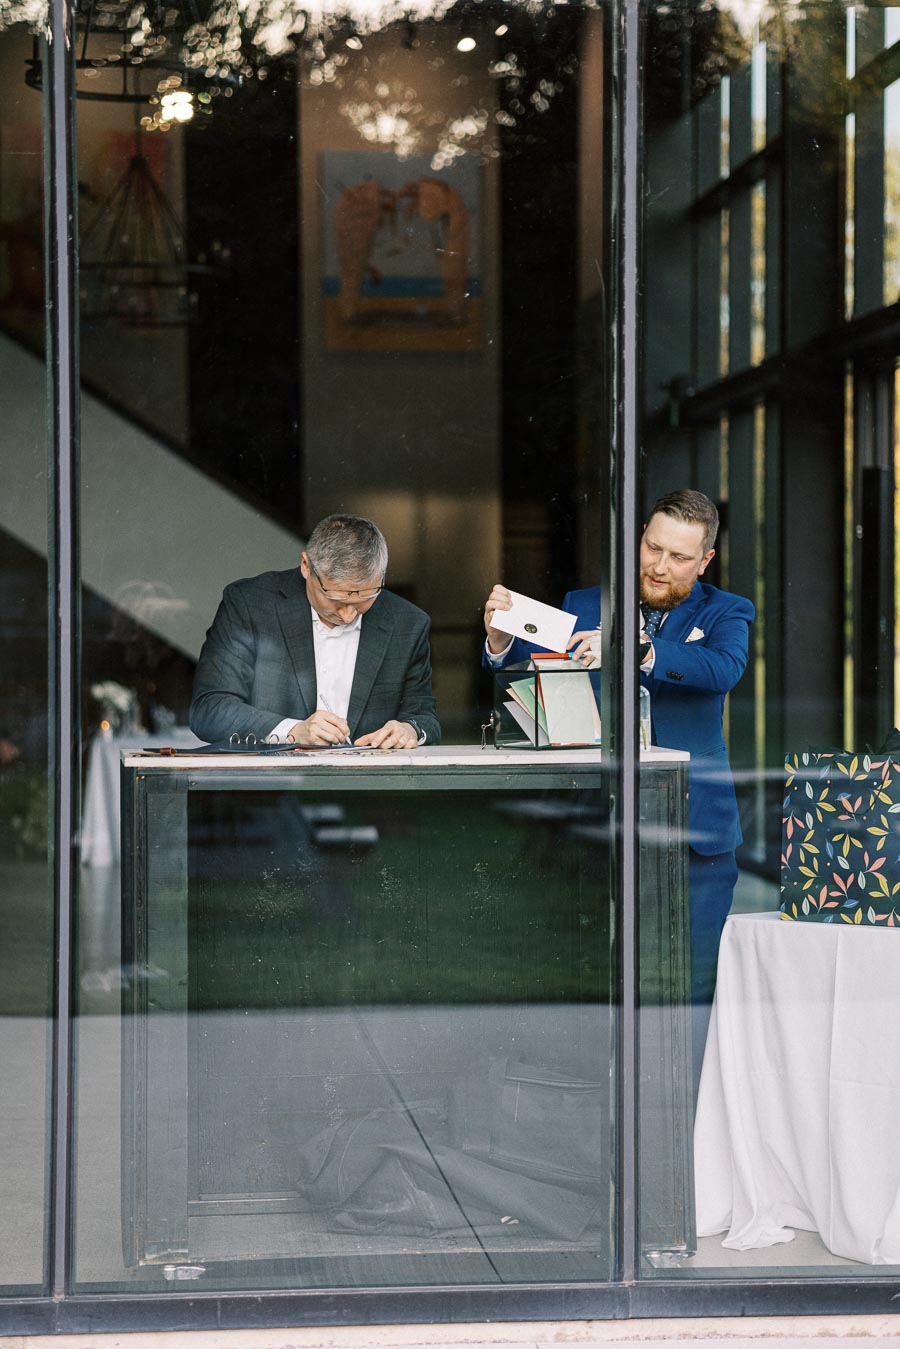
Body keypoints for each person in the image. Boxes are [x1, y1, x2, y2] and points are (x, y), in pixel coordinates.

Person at [482, 489, 754, 1071]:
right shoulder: (585, 603)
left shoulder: (727, 611)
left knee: (694, 985)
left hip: (697, 832)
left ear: (704, 561)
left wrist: (643, 651)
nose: (659, 566)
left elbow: (723, 669)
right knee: (595, 980)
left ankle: (691, 1118)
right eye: (652, 547)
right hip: (596, 827)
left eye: (679, 558)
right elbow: (514, 660)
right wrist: (501, 637)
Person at [191, 513, 440, 749]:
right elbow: (209, 708)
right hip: (270, 786)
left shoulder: (407, 623)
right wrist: (292, 730)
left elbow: (424, 718)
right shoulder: (250, 605)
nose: (348, 614)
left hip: (367, 787)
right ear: (306, 566)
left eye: (366, 597)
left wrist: (410, 730)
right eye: (335, 598)